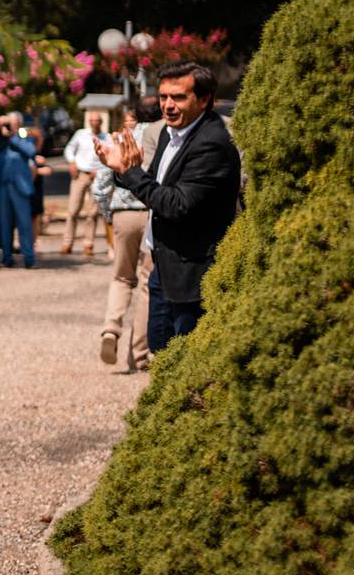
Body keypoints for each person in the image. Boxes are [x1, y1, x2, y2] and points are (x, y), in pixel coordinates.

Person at [97, 61, 240, 355]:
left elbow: (176, 204)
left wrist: (131, 172)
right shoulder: (170, 132)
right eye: (164, 97)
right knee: (161, 350)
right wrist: (123, 170)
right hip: (164, 264)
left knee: (187, 359)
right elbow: (156, 185)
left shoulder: (210, 143)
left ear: (204, 99)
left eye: (178, 97)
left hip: (194, 272)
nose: (168, 106)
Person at [93, 103, 157, 371]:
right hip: (151, 211)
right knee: (146, 283)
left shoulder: (116, 139)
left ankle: (111, 329)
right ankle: (139, 353)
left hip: (123, 214)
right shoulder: (159, 135)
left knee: (121, 277)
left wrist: (109, 215)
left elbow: (100, 187)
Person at [0, 113, 38, 268]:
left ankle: (29, 257)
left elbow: (31, 150)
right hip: (2, 186)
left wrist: (13, 136)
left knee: (24, 223)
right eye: (9, 124)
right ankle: (6, 257)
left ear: (19, 124)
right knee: (4, 223)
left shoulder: (22, 135)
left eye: (13, 123)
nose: (10, 126)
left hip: (20, 186)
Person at [61, 111, 112, 256]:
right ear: (89, 122)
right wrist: (72, 162)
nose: (94, 123)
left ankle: (88, 244)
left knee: (92, 213)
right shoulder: (80, 134)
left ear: (101, 122)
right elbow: (69, 149)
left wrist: (100, 169)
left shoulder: (106, 138)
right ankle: (67, 242)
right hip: (80, 174)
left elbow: (109, 157)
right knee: (73, 210)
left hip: (97, 176)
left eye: (97, 121)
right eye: (92, 121)